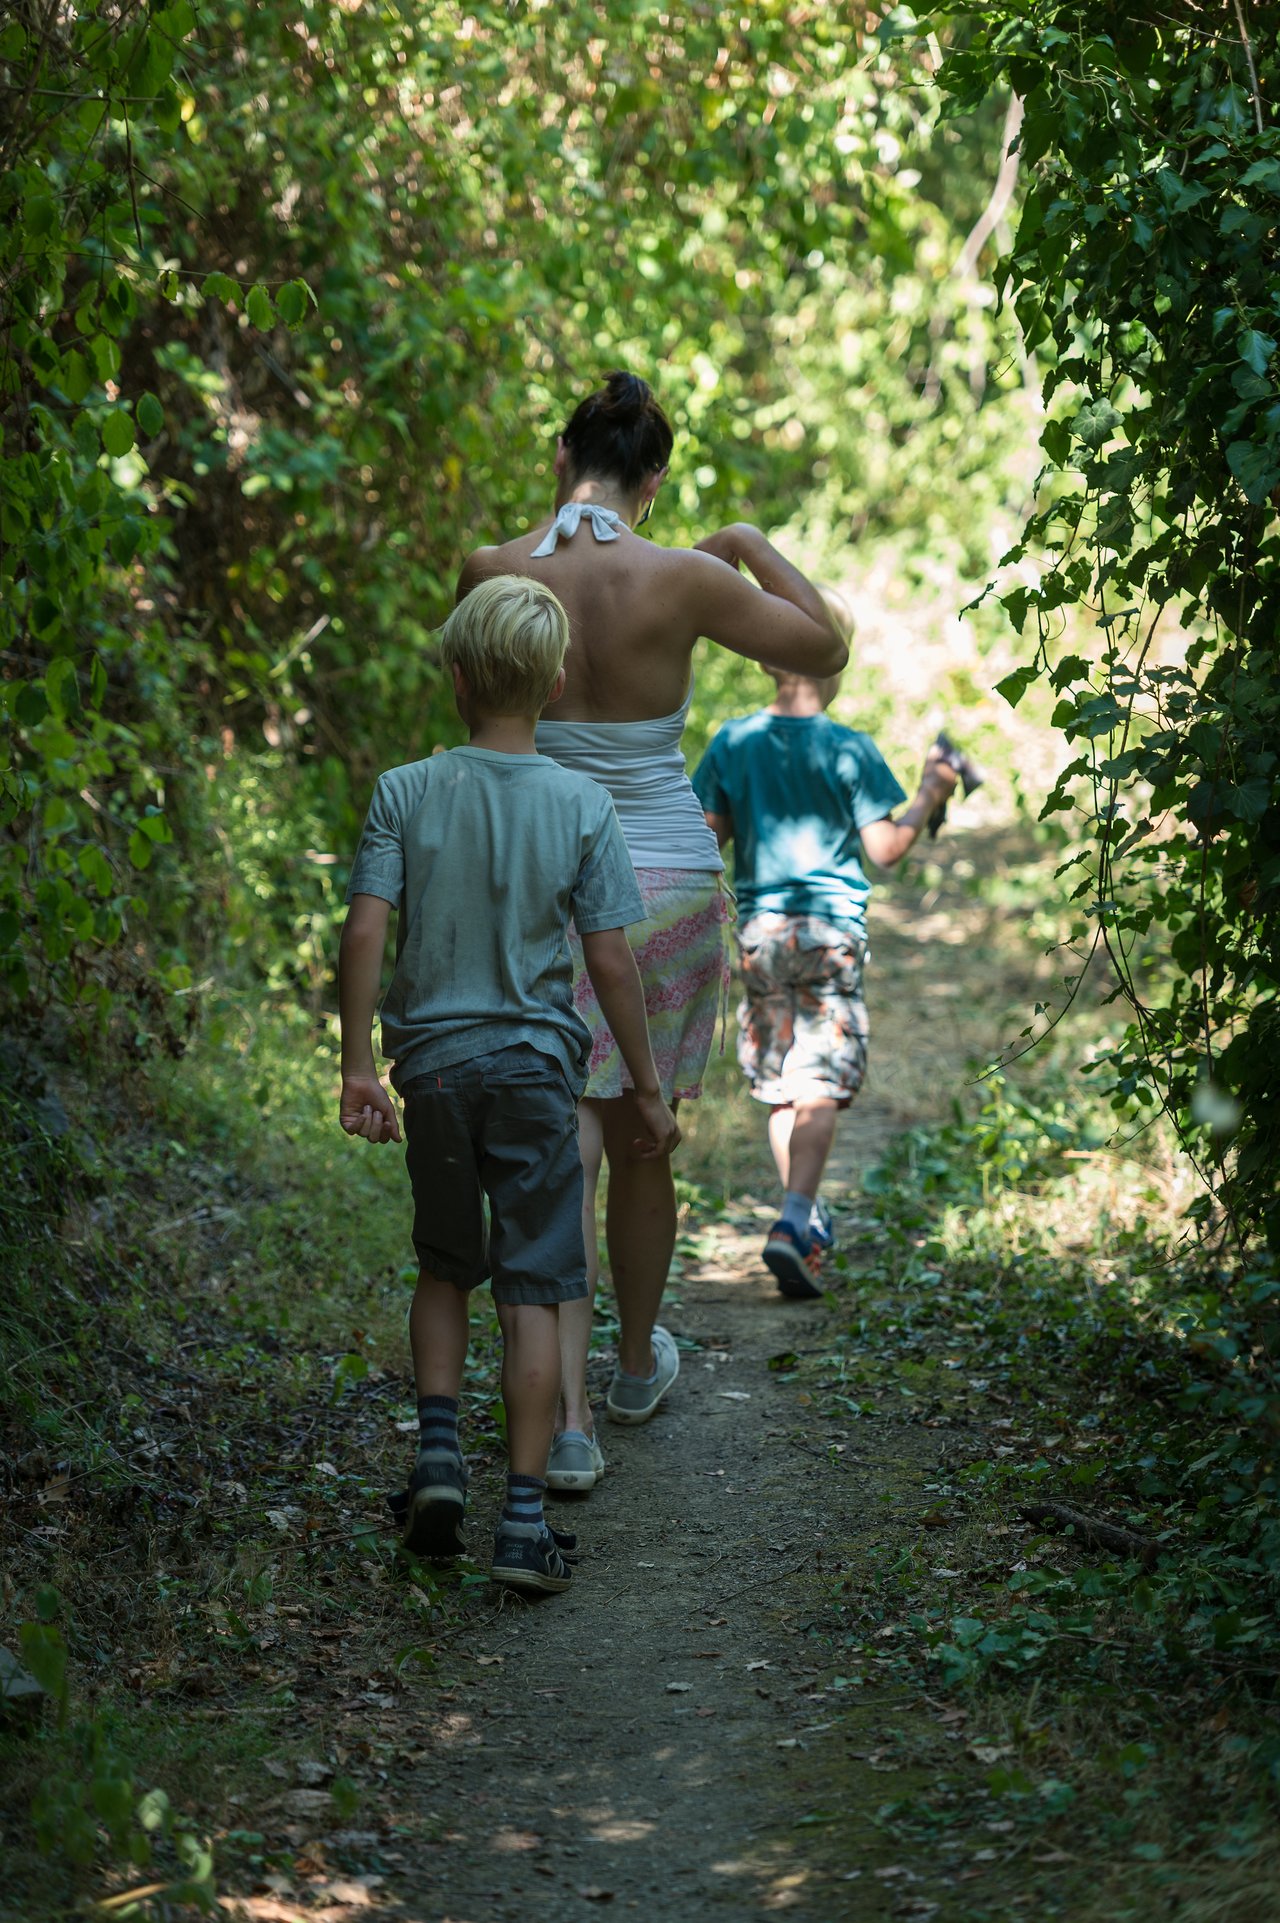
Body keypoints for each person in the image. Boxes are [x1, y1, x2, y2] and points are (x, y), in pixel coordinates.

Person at [456, 371, 846, 1493]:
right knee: (641, 1121)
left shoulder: (494, 571)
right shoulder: (683, 577)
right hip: (665, 876)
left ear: (559, 458)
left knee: (553, 1136)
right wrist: (743, 539)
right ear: (653, 480)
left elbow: (485, 735)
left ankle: (563, 1415)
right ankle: (631, 1366)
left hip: (536, 871)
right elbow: (820, 648)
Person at [336, 576, 679, 1594]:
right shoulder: (581, 803)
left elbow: (365, 929)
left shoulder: (405, 789)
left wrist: (359, 1062)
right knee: (536, 1288)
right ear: (557, 680)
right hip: (535, 1072)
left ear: (453, 673)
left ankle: (438, 1456)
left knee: (445, 1266)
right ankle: (522, 1524)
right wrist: (648, 1089)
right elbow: (611, 963)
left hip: (432, 1070)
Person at [692, 661, 961, 1297]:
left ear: (761, 660)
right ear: (835, 663)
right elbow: (887, 848)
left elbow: (707, 840)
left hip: (761, 932)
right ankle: (792, 1219)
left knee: (785, 1086)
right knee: (819, 1085)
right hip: (827, 934)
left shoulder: (733, 741)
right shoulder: (849, 748)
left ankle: (802, 1219)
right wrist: (931, 791)